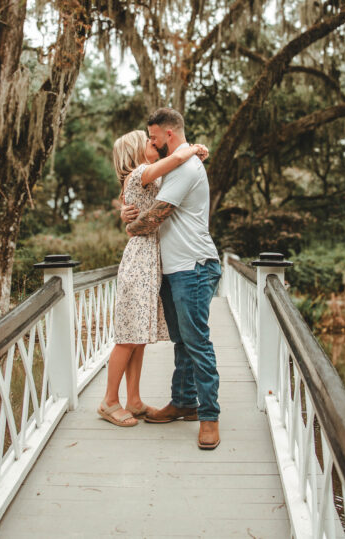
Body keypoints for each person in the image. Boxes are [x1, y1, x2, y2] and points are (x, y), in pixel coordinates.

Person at [122, 108, 222, 450]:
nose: (149, 143)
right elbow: (139, 195)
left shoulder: (186, 168)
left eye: (152, 138)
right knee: (182, 342)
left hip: (193, 267)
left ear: (168, 135)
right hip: (173, 268)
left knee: (197, 343)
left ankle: (209, 416)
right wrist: (126, 210)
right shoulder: (175, 166)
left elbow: (151, 219)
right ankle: (184, 402)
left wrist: (129, 226)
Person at [99, 130, 209, 427]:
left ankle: (133, 399)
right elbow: (175, 157)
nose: (155, 144)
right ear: (137, 150)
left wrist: (127, 215)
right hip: (139, 263)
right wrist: (194, 148)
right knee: (127, 337)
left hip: (151, 263)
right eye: (149, 142)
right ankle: (110, 401)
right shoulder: (140, 174)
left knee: (139, 338)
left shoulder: (147, 179)